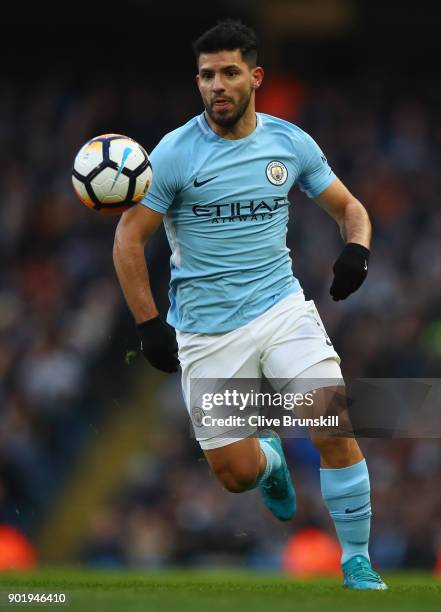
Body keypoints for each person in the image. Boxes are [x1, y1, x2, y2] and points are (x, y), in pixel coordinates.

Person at [113, 19, 386, 590]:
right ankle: (269, 462)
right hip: (206, 332)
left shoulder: (289, 142)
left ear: (254, 78)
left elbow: (349, 208)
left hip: (281, 309)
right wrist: (148, 324)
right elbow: (128, 238)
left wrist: (356, 250)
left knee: (332, 423)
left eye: (230, 73)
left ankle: (357, 561)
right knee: (234, 476)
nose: (218, 85)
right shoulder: (174, 154)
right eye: (207, 75)